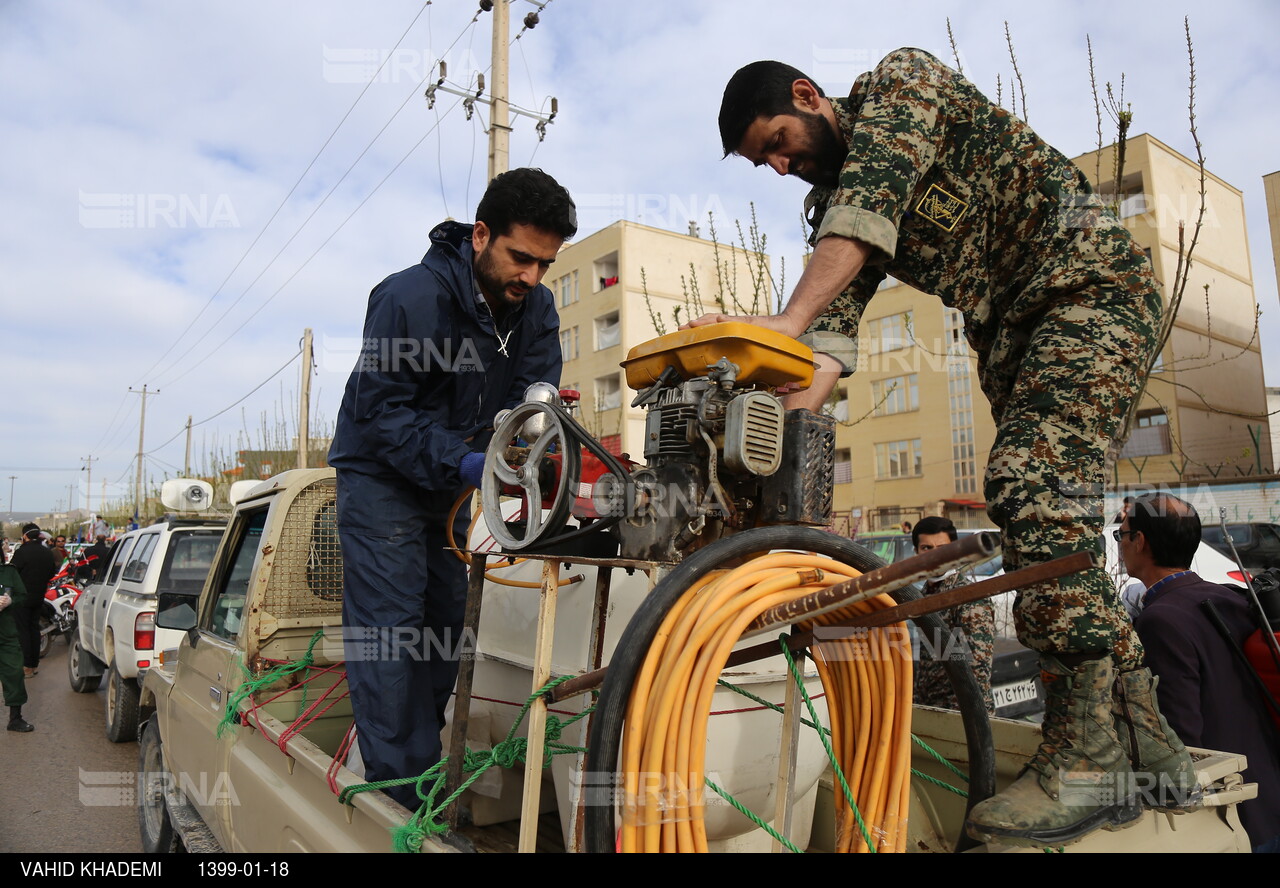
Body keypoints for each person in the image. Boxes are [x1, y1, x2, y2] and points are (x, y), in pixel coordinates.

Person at [699, 48, 1189, 846]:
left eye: (780, 141)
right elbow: (828, 341)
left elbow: (868, 208)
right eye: (767, 162)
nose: (782, 166)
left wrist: (779, 324)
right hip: (1015, 337)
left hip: (1089, 288)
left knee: (1031, 488)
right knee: (1047, 516)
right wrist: (765, 432)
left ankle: (1088, 758)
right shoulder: (829, 211)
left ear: (807, 95)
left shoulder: (904, 85)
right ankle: (1146, 736)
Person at [329, 167, 575, 811]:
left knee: (445, 629)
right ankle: (398, 799)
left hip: (455, 484)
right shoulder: (409, 298)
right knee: (390, 634)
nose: (532, 277)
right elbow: (381, 415)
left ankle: (413, 764)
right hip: (382, 479)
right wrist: (466, 462)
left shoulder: (535, 308)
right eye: (521, 258)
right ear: (481, 235)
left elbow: (534, 391)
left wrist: (528, 446)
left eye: (544, 264)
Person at [1122, 493, 1280, 852]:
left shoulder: (1161, 621)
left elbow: (1180, 737)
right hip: (1268, 792)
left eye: (1122, 535)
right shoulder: (1230, 596)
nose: (1120, 545)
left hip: (1234, 817)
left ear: (1140, 542)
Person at [910, 516, 994, 713]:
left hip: (962, 714)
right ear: (916, 552)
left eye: (942, 548)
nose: (935, 556)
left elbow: (977, 670)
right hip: (931, 708)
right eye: (926, 548)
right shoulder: (924, 594)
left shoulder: (967, 596)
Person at [9, 524, 56, 679]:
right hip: (38, 596)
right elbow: (51, 573)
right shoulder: (47, 553)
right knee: (34, 629)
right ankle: (33, 665)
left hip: (22, 597)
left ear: (25, 536)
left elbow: (12, 573)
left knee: (22, 631)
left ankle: (26, 666)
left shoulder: (21, 552)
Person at [0, 547, 33, 731]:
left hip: (6, 633)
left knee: (14, 674)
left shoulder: (9, 572)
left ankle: (15, 719)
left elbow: (22, 594)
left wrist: (10, 601)